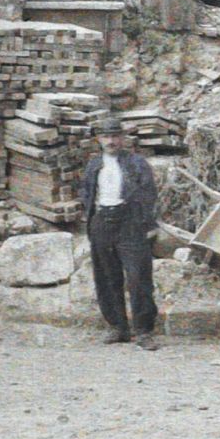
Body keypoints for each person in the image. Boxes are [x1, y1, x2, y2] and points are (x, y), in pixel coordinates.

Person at [80, 123, 161, 350]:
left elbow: (148, 193)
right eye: (106, 136)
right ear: (98, 139)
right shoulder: (93, 165)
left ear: (123, 138)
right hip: (102, 223)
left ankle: (144, 330)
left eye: (115, 136)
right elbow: (86, 193)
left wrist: (146, 223)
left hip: (130, 224)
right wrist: (92, 218)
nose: (111, 141)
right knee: (106, 277)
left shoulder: (137, 163)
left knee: (138, 277)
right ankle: (118, 327)